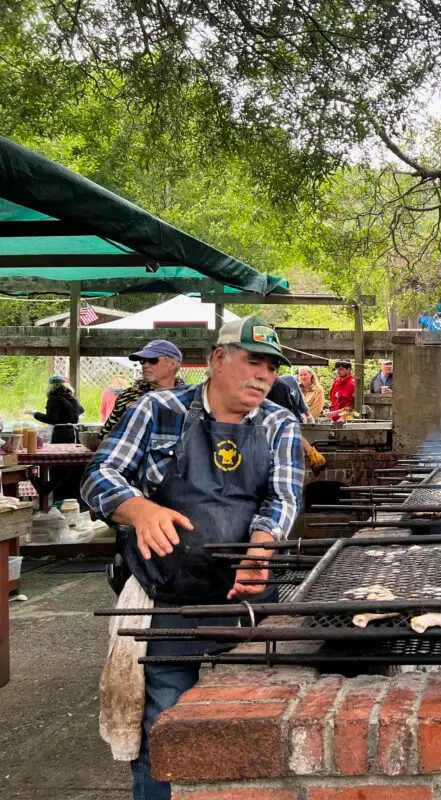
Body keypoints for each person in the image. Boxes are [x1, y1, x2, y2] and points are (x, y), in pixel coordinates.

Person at [82, 315, 303, 800]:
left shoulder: (279, 422)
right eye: (253, 361)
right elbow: (99, 475)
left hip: (244, 598)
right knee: (164, 724)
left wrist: (261, 549)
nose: (264, 375)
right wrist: (138, 510)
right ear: (218, 359)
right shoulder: (159, 409)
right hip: (168, 599)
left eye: (271, 366)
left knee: (244, 724)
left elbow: (283, 498)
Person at [101, 340, 185, 438]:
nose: (145, 365)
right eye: (142, 360)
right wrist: (127, 419)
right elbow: (106, 438)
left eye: (153, 360)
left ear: (172, 364)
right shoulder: (128, 396)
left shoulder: (189, 398)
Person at [27, 375, 84, 444]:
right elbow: (81, 410)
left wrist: (34, 413)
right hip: (73, 433)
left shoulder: (53, 399)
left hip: (60, 435)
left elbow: (51, 419)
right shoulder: (72, 399)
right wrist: (68, 416)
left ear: (50, 387)